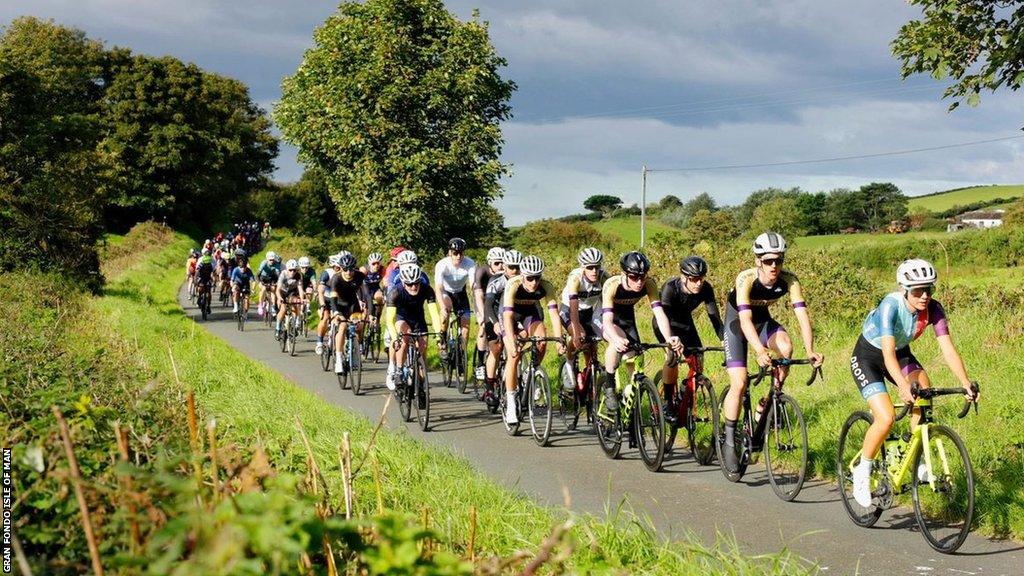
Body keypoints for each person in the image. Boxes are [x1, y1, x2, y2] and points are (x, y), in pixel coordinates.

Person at [849, 259, 979, 507]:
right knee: (886, 418)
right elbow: (887, 354)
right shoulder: (891, 305)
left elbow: (948, 349)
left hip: (900, 353)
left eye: (929, 289)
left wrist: (964, 382)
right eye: (917, 290)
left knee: (924, 390)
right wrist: (901, 385)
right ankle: (862, 472)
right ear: (904, 289)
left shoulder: (934, 309)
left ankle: (915, 458)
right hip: (869, 357)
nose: (924, 296)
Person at [720, 232, 824, 473]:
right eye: (768, 261)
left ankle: (769, 402)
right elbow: (745, 320)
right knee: (740, 382)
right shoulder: (745, 279)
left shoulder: (790, 280)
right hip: (737, 324)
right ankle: (728, 440)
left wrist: (810, 350)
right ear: (758, 260)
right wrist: (758, 350)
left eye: (778, 260)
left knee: (786, 347)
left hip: (763, 322)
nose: (774, 266)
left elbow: (802, 316)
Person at [600, 251, 683, 419]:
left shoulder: (649, 284)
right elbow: (607, 321)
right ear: (624, 274)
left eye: (642, 277)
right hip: (608, 320)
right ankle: (609, 386)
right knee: (615, 345)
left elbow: (659, 313)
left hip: (628, 321)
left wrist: (668, 338)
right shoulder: (612, 285)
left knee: (635, 361)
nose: (639, 282)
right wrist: (615, 339)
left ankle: (629, 403)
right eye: (633, 277)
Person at [654, 256, 724, 421]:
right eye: (693, 279)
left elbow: (714, 317)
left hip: (685, 323)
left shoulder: (706, 289)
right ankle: (669, 403)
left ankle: (686, 392)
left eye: (701, 278)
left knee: (698, 358)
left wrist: (724, 339)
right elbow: (663, 315)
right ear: (684, 277)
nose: (698, 283)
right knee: (672, 357)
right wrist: (671, 339)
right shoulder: (670, 288)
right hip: (665, 324)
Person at [500, 255, 565, 424]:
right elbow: (507, 316)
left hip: (530, 314)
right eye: (529, 278)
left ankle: (532, 371)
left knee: (542, 340)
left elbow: (554, 314)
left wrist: (559, 340)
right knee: (514, 355)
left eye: (537, 277)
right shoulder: (512, 284)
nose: (534, 282)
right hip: (509, 315)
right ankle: (511, 403)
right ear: (522, 275)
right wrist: (512, 342)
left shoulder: (546, 286)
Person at [385, 264, 442, 394]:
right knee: (405, 337)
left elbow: (434, 314)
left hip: (418, 319)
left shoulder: (427, 289)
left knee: (423, 347)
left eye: (416, 283)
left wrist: (439, 335)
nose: (414, 286)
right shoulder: (395, 292)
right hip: (401, 318)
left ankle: (421, 385)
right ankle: (399, 370)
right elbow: (389, 320)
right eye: (410, 284)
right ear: (404, 282)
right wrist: (395, 339)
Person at [559, 247, 609, 389]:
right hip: (569, 310)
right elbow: (573, 307)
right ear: (583, 267)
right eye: (590, 267)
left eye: (597, 267)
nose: (594, 271)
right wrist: (575, 333)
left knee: (592, 345)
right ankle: (568, 363)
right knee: (579, 335)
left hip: (587, 311)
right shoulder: (576, 278)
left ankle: (589, 376)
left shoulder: (604, 277)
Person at [482, 249, 523, 407]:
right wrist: (495, 323)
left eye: (518, 267)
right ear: (505, 267)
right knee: (496, 349)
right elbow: (488, 305)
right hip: (494, 316)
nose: (515, 271)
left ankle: (519, 380)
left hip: (513, 316)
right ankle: (490, 387)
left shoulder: (523, 281)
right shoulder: (496, 281)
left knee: (519, 344)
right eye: (512, 267)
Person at [434, 237, 476, 362]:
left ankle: (461, 354)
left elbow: (473, 285)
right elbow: (438, 288)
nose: (458, 256)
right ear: (449, 253)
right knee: (446, 312)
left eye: (461, 253)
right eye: (455, 253)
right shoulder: (442, 264)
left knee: (466, 325)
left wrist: (477, 302)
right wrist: (442, 308)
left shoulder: (470, 263)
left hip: (461, 293)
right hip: (446, 292)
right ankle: (442, 341)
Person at [329, 253, 370, 375]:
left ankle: (354, 352)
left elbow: (367, 295)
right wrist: (336, 312)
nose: (348, 272)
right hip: (339, 306)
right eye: (345, 269)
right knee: (342, 327)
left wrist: (370, 313)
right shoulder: (336, 279)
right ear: (341, 268)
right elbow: (333, 299)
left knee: (359, 326)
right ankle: (339, 359)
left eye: (351, 269)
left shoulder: (359, 276)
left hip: (353, 305)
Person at [472, 247, 504, 382]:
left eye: (503, 262)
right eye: (497, 263)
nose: (501, 266)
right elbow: (478, 294)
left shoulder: (505, 274)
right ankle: (480, 363)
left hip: (497, 302)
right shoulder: (482, 271)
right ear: (490, 263)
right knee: (483, 328)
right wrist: (482, 317)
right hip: (482, 300)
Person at [315, 253, 341, 356]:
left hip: (337, 300)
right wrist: (322, 305)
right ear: (334, 266)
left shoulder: (344, 274)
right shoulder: (327, 273)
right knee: (325, 318)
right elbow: (320, 291)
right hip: (325, 299)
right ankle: (319, 342)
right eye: (338, 267)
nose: (340, 269)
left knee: (337, 320)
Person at [275, 259, 307, 340]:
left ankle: (294, 325)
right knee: (283, 309)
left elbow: (300, 289)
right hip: (282, 292)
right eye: (290, 270)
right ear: (287, 269)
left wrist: (302, 299)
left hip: (292, 293)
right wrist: (279, 298)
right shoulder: (283, 274)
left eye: (294, 270)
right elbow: (278, 289)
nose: (292, 272)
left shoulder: (298, 275)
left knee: (296, 305)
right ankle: (278, 328)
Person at [360, 252, 386, 328]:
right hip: (365, 288)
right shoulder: (364, 269)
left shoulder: (382, 269)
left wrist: (385, 294)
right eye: (373, 264)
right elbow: (358, 284)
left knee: (380, 298)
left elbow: (385, 283)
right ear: (369, 263)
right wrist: (360, 298)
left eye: (378, 263)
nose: (376, 265)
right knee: (366, 308)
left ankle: (377, 320)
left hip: (375, 287)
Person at [230, 250, 255, 315]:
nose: (243, 269)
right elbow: (232, 280)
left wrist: (252, 289)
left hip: (245, 284)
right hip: (237, 283)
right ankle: (235, 307)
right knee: (236, 291)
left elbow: (253, 281)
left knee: (247, 299)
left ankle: (245, 312)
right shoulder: (236, 269)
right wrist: (232, 287)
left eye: (245, 268)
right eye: (242, 268)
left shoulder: (249, 270)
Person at [257, 251, 282, 316]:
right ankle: (260, 305)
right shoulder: (264, 263)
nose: (272, 261)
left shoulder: (276, 264)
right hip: (263, 278)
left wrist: (277, 283)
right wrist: (260, 282)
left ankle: (273, 306)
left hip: (272, 278)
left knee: (273, 289)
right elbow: (258, 274)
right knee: (264, 288)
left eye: (273, 260)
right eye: (270, 260)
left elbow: (278, 276)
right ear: (267, 259)